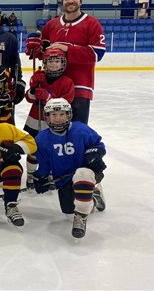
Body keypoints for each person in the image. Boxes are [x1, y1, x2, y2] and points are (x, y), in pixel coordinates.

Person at [27, 0, 106, 124]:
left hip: (80, 87)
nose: (71, 1)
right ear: (62, 3)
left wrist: (67, 49)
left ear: (80, 1)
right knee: (52, 130)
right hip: (53, 87)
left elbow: (96, 54)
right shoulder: (51, 25)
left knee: (76, 129)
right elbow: (44, 53)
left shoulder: (92, 24)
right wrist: (33, 48)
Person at [32, 98, 107, 239]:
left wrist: (95, 152)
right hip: (65, 179)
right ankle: (94, 196)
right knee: (68, 212)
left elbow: (99, 145)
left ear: (69, 115)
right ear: (47, 117)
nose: (58, 118)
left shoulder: (81, 130)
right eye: (54, 115)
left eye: (62, 114)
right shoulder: (41, 139)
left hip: (87, 172)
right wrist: (41, 177)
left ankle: (81, 217)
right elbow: (45, 164)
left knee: (82, 174)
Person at [23, 48, 75, 189]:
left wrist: (48, 98)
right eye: (50, 61)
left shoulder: (67, 82)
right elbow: (28, 98)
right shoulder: (39, 77)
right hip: (35, 120)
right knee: (33, 149)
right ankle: (31, 174)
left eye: (57, 61)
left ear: (62, 63)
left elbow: (66, 103)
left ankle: (51, 173)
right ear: (45, 62)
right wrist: (33, 89)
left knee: (52, 149)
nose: (53, 64)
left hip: (55, 122)